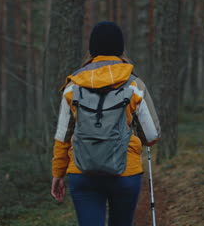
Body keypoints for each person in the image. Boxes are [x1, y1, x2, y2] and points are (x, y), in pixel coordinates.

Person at [50, 21, 160, 226]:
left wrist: (58, 173)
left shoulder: (73, 86)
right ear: (120, 48)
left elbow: (62, 137)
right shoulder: (134, 84)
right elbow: (152, 135)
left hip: (82, 172)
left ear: (92, 50)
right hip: (125, 172)